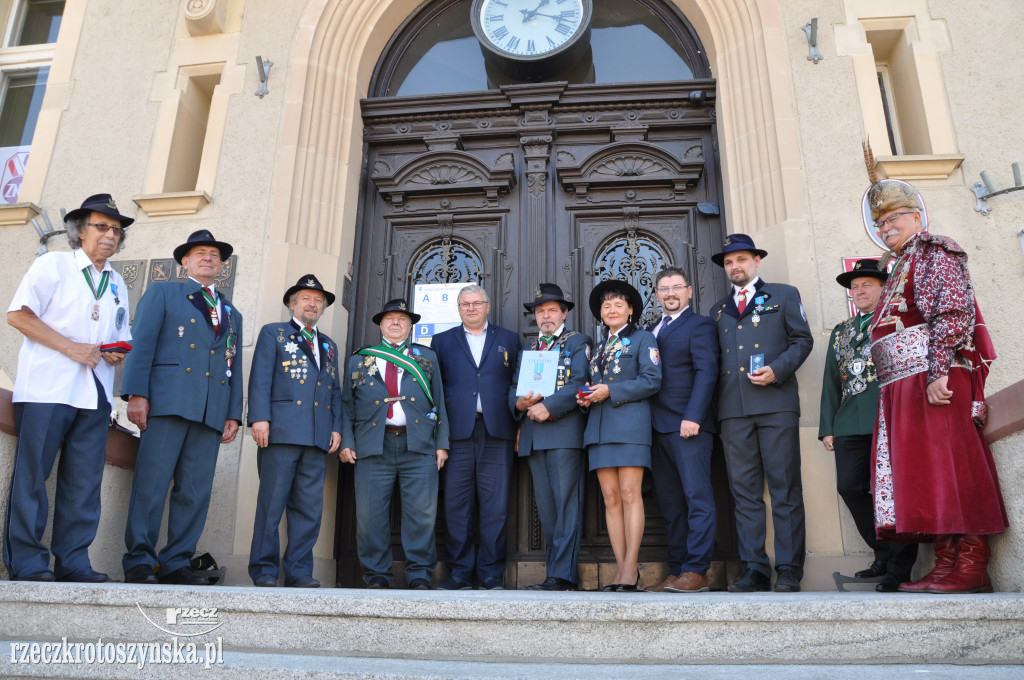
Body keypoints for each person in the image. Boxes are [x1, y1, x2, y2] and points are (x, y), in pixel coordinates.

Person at [863, 172, 1007, 594]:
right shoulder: (901, 262)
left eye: (894, 219)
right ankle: (946, 564)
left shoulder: (933, 251)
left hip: (934, 379)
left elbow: (952, 312)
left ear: (916, 216)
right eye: (880, 223)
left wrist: (938, 370)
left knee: (952, 467)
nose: (886, 228)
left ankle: (972, 565)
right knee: (930, 474)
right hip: (905, 385)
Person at [4, 194, 133, 582]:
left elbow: (119, 336)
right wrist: (71, 347)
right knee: (33, 479)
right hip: (47, 388)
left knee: (84, 484)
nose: (110, 234)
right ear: (80, 231)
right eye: (101, 226)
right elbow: (17, 315)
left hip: (94, 393)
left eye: (116, 229)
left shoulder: (117, 282)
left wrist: (114, 354)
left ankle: (74, 561)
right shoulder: (53, 264)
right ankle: (27, 562)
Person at [121, 229, 243, 585]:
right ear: (184, 261)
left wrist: (233, 412)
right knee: (152, 484)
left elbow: (232, 363)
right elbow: (141, 344)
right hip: (168, 403)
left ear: (222, 266)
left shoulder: (231, 311)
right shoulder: (163, 292)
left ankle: (176, 561)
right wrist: (136, 394)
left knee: (194, 491)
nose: (208, 258)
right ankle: (140, 561)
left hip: (210, 410)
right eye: (200, 252)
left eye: (215, 255)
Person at [712, 233, 813, 593]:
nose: (734, 266)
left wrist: (778, 369)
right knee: (744, 493)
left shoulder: (784, 295)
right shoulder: (719, 309)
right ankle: (754, 567)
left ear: (756, 261)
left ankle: (788, 568)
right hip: (734, 411)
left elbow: (803, 340)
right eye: (728, 262)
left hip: (775, 405)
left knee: (785, 488)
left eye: (740, 259)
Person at [818, 259, 918, 592]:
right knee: (849, 486)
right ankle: (883, 551)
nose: (859, 291)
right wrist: (827, 426)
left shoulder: (895, 323)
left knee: (896, 491)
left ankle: (899, 567)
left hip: (889, 418)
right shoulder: (841, 331)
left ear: (883, 288)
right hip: (848, 422)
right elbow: (832, 382)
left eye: (867, 285)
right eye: (855, 286)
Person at [339, 299, 448, 589]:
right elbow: (346, 406)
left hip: (419, 445)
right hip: (373, 446)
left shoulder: (426, 357)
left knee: (421, 516)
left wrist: (442, 444)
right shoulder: (360, 359)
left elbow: (440, 402)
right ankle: (376, 576)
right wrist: (346, 441)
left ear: (411, 325)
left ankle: (420, 575)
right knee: (370, 515)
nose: (396, 323)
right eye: (390, 319)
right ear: (381, 324)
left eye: (402, 319)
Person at [247, 275, 343, 588]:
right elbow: (260, 377)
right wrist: (259, 418)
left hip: (317, 436)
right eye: (306, 298)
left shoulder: (329, 345)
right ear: (292, 303)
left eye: (318, 300)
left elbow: (334, 390)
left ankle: (300, 571)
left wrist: (337, 428)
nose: (313, 304)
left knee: (309, 509)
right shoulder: (273, 333)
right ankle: (264, 570)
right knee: (271, 505)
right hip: (281, 432)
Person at [432, 284, 521, 590]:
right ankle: (459, 574)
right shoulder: (441, 342)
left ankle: (491, 574)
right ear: (458, 309)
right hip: (456, 435)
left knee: (494, 507)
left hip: (498, 432)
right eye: (465, 304)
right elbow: (437, 391)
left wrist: (520, 425)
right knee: (456, 506)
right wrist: (438, 437)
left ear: (488, 305)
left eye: (476, 303)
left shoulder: (509, 339)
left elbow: (516, 386)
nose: (471, 308)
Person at [577, 279, 661, 592]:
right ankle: (619, 567)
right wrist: (585, 397)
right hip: (598, 428)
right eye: (606, 305)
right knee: (610, 499)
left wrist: (610, 390)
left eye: (618, 305)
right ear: (601, 313)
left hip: (629, 426)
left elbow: (651, 381)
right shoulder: (598, 347)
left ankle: (630, 569)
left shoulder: (644, 339)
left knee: (629, 495)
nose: (612, 310)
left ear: (630, 311)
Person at [510, 283, 591, 591]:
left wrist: (549, 407)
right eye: (540, 311)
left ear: (564, 313)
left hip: (563, 433)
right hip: (533, 435)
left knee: (567, 506)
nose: (545, 316)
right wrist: (518, 404)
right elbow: (514, 388)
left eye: (551, 310)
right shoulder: (530, 349)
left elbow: (579, 384)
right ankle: (555, 573)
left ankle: (563, 576)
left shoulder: (576, 342)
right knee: (547, 509)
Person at [645, 267, 719, 593]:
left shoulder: (700, 325)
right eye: (664, 288)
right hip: (657, 429)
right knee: (672, 506)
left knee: (697, 499)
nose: (671, 293)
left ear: (689, 291)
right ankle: (676, 571)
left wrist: (694, 416)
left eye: (676, 287)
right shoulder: (650, 330)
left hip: (688, 427)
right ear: (657, 294)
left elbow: (707, 372)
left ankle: (697, 569)